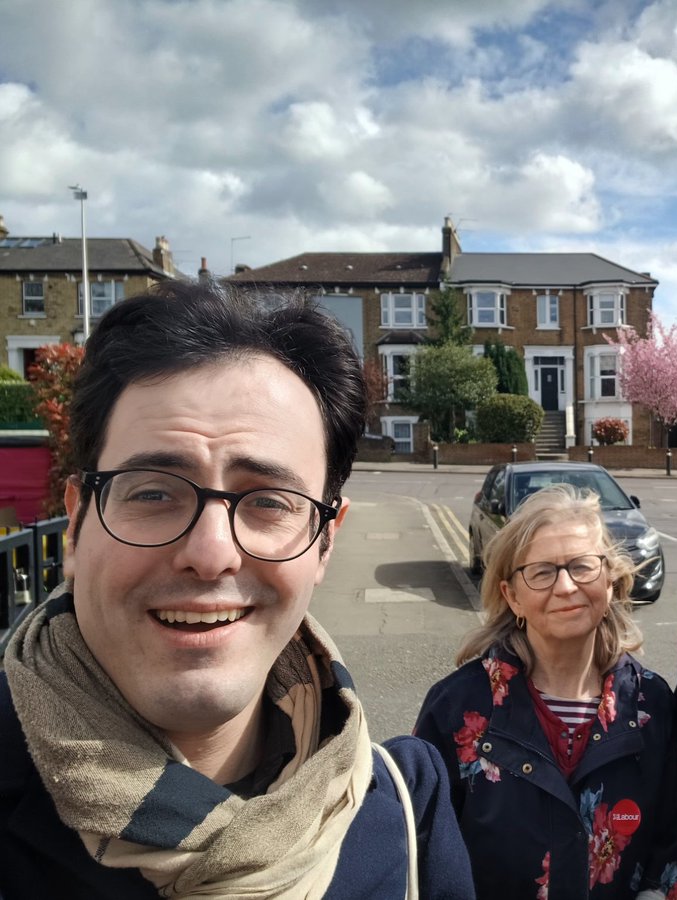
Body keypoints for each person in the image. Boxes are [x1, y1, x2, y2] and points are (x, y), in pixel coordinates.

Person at [0, 281, 474, 899]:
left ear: (326, 541)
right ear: (78, 518)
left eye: (269, 501)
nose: (210, 553)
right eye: (151, 492)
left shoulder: (407, 814)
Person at [415, 485, 677, 899]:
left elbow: (673, 841)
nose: (565, 587)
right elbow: (424, 852)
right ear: (512, 597)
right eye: (542, 572)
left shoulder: (651, 704)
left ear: (611, 581)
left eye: (582, 566)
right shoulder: (456, 708)